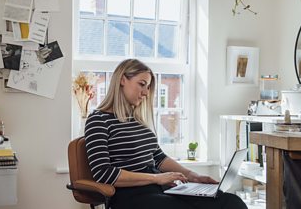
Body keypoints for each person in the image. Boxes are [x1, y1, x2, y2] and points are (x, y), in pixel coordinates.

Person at [84, 59, 247, 209]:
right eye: (142, 84)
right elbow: (103, 173)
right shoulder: (98, 120)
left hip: (161, 189)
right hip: (131, 196)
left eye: (148, 87)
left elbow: (158, 157)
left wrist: (193, 176)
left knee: (231, 202)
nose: (146, 92)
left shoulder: (136, 120)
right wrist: (156, 178)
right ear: (122, 80)